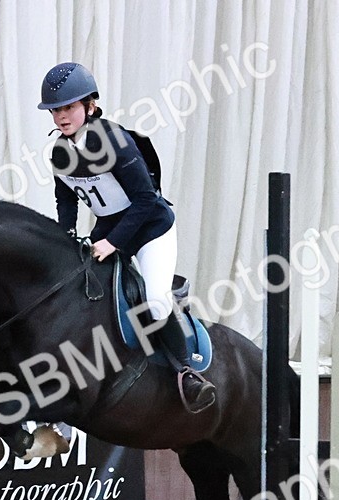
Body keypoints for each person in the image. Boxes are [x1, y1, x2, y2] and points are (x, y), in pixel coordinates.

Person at [38, 61, 216, 414]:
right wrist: (66, 234)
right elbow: (66, 197)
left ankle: (187, 372)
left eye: (69, 107)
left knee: (155, 299)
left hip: (151, 227)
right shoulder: (59, 151)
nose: (61, 116)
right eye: (55, 110)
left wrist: (113, 242)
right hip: (109, 227)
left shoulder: (115, 142)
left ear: (90, 106)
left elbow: (147, 199)